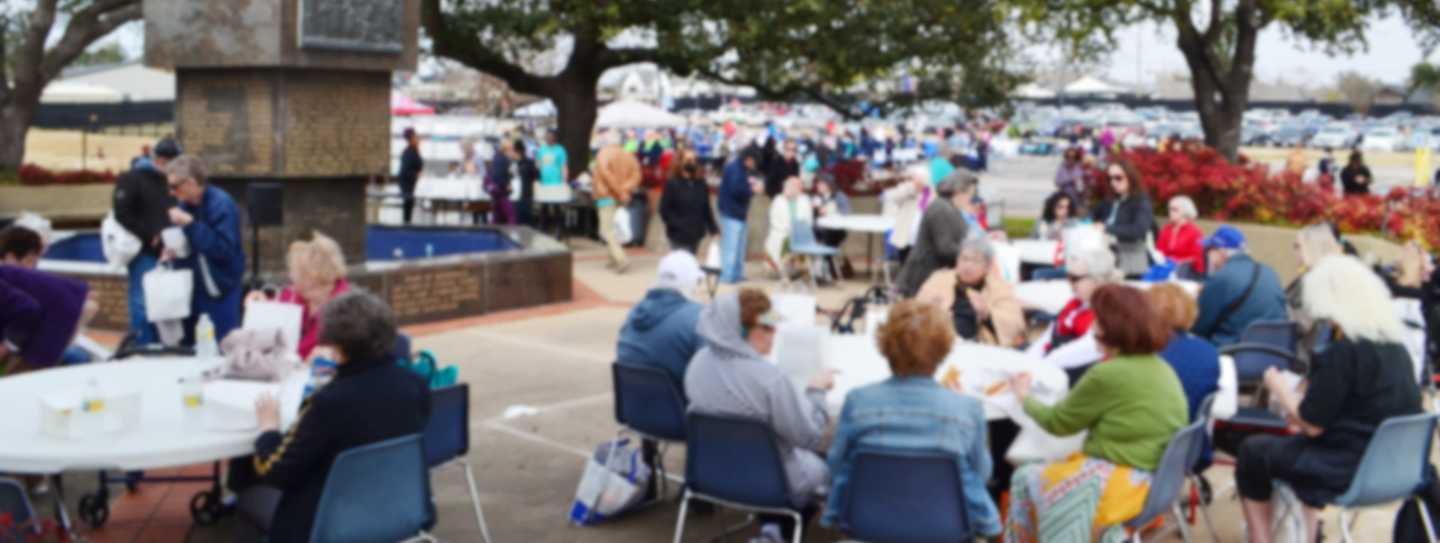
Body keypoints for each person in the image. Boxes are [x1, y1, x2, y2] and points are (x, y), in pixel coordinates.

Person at [1235, 255, 1421, 543]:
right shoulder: (1398, 350)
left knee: (1252, 452)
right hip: (1396, 469)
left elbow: (1311, 424)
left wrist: (1278, 386)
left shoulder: (1345, 352)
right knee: (1296, 449)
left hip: (1348, 470)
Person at [235, 291, 430, 542]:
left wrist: (268, 428)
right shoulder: (415, 385)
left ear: (337, 344)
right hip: (398, 508)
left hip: (328, 523)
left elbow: (274, 470)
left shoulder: (330, 402)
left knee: (247, 490)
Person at [1005, 284, 1188, 542]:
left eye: (1097, 323)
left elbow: (1057, 423)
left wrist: (1024, 397)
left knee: (1025, 476)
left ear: (1111, 329)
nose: (1092, 330)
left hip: (1123, 481)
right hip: (1155, 479)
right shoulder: (1161, 367)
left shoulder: (1108, 373)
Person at [823, 300, 1001, 539]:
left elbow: (835, 463)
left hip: (869, 522)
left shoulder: (859, 401)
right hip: (944, 526)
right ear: (943, 350)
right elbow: (982, 473)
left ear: (884, 345)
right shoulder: (967, 409)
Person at [685, 289, 833, 539]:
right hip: (772, 481)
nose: (774, 333)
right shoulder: (769, 380)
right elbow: (808, 436)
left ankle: (772, 528)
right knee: (829, 462)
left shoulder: (697, 363)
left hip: (711, 473)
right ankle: (781, 531)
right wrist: (816, 392)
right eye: (767, 327)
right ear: (741, 332)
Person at [616, 251, 706, 498]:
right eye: (697, 282)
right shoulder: (695, 317)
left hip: (635, 413)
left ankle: (648, 468)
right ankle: (699, 485)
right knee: (715, 400)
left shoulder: (634, 313)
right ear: (688, 283)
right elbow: (711, 371)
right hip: (677, 419)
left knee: (659, 382)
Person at [164, 155, 246, 344]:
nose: (171, 192)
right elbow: (193, 246)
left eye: (174, 186)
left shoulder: (221, 204)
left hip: (220, 290)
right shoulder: (185, 205)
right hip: (193, 291)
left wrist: (190, 225)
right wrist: (172, 250)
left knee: (223, 346)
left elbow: (224, 250)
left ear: (191, 182)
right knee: (191, 349)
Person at [113, 137, 179, 344]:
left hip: (171, 249)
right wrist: (150, 234)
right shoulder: (132, 179)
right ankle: (143, 346)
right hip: (145, 252)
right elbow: (122, 213)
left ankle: (162, 344)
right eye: (167, 161)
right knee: (142, 303)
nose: (169, 165)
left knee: (167, 304)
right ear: (157, 159)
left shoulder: (172, 181)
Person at [246, 232, 350, 361]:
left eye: (294, 270)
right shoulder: (293, 294)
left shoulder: (347, 308)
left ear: (312, 274)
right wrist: (261, 304)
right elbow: (273, 315)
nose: (290, 276)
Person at [916, 238, 1025, 347]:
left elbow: (1015, 325)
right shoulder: (939, 279)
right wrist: (932, 311)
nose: (968, 266)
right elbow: (916, 310)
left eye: (975, 261)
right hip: (937, 342)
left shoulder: (999, 288)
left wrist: (987, 314)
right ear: (957, 261)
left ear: (987, 267)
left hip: (977, 348)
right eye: (964, 259)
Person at [1192, 225, 1287, 347]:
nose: (1207, 256)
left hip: (1233, 353)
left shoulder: (1222, 277)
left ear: (1221, 252)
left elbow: (1198, 328)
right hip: (1274, 352)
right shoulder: (1270, 272)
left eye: (1209, 250)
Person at [895, 171, 978, 297]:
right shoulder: (942, 209)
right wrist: (974, 255)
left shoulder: (949, 208)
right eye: (969, 194)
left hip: (930, 277)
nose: (971, 199)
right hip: (923, 279)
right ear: (958, 191)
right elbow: (945, 249)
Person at [0, 264, 93, 375]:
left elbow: (28, 308)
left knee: (19, 382)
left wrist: (5, 347)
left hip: (58, 311)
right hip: (60, 305)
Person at [1089, 160, 1154, 277]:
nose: (1113, 182)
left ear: (1130, 177)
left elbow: (1139, 230)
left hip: (1131, 255)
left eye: (1118, 178)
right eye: (1110, 179)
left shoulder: (1141, 201)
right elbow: (1091, 217)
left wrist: (1106, 228)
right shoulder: (1109, 200)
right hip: (1106, 253)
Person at [593, 134, 643, 274]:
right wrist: (625, 189)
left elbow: (605, 174)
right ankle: (612, 258)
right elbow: (637, 175)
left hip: (606, 195)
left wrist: (619, 190)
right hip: (622, 197)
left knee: (606, 230)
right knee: (614, 228)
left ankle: (621, 258)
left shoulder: (603, 154)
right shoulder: (629, 155)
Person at [658, 149, 717, 255]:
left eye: (694, 160)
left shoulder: (701, 184)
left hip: (695, 234)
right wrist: (677, 225)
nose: (692, 162)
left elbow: (706, 208)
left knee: (690, 263)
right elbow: (664, 210)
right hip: (678, 234)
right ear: (680, 162)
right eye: (688, 159)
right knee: (680, 266)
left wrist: (713, 228)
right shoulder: (672, 184)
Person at [717, 149, 762, 283]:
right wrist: (752, 189)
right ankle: (727, 276)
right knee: (731, 247)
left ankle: (736, 274)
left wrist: (750, 186)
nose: (754, 165)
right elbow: (736, 190)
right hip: (732, 212)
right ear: (748, 159)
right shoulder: (735, 169)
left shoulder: (739, 168)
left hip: (739, 213)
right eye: (754, 162)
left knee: (739, 248)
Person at [764, 176, 814, 277]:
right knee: (778, 240)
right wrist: (787, 229)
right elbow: (774, 219)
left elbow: (808, 220)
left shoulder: (805, 200)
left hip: (800, 232)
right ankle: (779, 269)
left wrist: (797, 230)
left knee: (800, 242)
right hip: (781, 230)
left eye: (793, 187)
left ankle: (798, 269)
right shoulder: (778, 199)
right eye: (787, 187)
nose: (789, 189)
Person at [882, 165, 928, 266]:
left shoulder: (930, 193)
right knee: (905, 266)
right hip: (906, 238)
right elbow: (889, 197)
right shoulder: (905, 190)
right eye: (917, 179)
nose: (919, 183)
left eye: (922, 179)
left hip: (923, 240)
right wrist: (912, 188)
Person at [1157, 195, 1205, 275]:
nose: (1170, 212)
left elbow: (1196, 258)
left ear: (1185, 211)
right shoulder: (1166, 229)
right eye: (1169, 209)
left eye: (1174, 209)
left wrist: (1177, 263)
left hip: (1184, 272)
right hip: (1164, 268)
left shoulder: (1195, 233)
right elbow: (1159, 251)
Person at [485, 139, 517, 225]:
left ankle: (492, 233)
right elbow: (499, 175)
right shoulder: (504, 159)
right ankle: (512, 234)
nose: (513, 151)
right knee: (511, 216)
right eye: (512, 149)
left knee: (497, 216)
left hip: (496, 192)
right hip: (501, 192)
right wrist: (506, 184)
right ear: (507, 149)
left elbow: (497, 174)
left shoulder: (497, 158)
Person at [397, 128, 423, 224]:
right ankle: (406, 223)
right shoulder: (408, 152)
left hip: (412, 182)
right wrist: (416, 174)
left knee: (410, 204)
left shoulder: (414, 151)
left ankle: (407, 222)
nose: (418, 139)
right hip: (407, 183)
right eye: (416, 137)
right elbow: (405, 170)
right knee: (408, 203)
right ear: (411, 139)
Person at [513, 139, 540, 226]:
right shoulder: (529, 162)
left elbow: (536, 175)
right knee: (526, 219)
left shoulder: (515, 163)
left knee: (520, 219)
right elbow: (537, 175)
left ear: (517, 151)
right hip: (526, 194)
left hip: (520, 195)